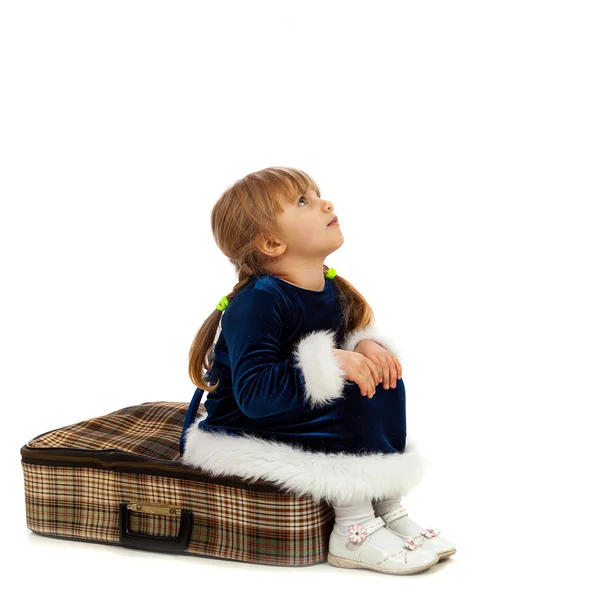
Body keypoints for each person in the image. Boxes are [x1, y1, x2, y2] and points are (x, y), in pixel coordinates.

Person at [180, 167, 456, 575]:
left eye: (317, 194)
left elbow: (342, 346)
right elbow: (255, 396)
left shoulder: (333, 288)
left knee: (380, 383)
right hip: (243, 419)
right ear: (271, 242)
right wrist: (332, 364)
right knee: (347, 398)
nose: (326, 203)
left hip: (292, 406)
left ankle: (385, 503)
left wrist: (364, 347)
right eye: (303, 202)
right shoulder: (258, 302)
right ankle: (353, 526)